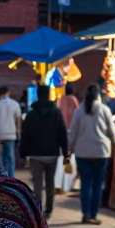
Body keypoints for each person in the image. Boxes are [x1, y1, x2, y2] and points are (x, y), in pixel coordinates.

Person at [68, 84, 115, 225]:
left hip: (82, 152)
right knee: (97, 184)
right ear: (99, 95)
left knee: (86, 184)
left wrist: (70, 149)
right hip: (101, 152)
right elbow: (112, 130)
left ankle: (85, 214)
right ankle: (93, 215)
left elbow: (73, 133)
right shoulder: (104, 110)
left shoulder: (79, 111)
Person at [19, 85, 68, 220]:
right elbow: (62, 133)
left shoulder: (31, 113)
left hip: (35, 154)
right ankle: (49, 209)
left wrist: (23, 153)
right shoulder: (56, 113)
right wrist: (65, 151)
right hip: (52, 153)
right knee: (50, 182)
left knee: (37, 184)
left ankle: (38, 209)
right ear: (49, 95)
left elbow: (25, 135)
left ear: (38, 95)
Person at [0, 85, 22, 178]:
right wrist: (18, 133)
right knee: (10, 157)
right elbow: (18, 119)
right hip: (11, 134)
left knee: (0, 158)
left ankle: (2, 176)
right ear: (8, 92)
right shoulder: (15, 104)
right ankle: (11, 177)